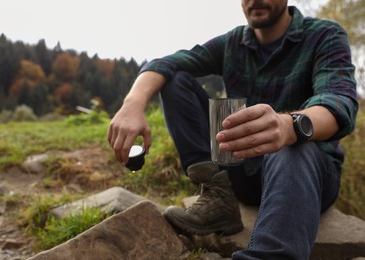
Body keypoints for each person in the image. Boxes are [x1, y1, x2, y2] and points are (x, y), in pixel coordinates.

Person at [107, 0, 358, 258]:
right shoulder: (233, 43)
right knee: (174, 80)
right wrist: (132, 104)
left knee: (290, 148)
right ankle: (218, 199)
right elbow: (166, 63)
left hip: (306, 176)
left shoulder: (324, 34)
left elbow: (339, 101)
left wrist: (290, 126)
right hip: (243, 173)